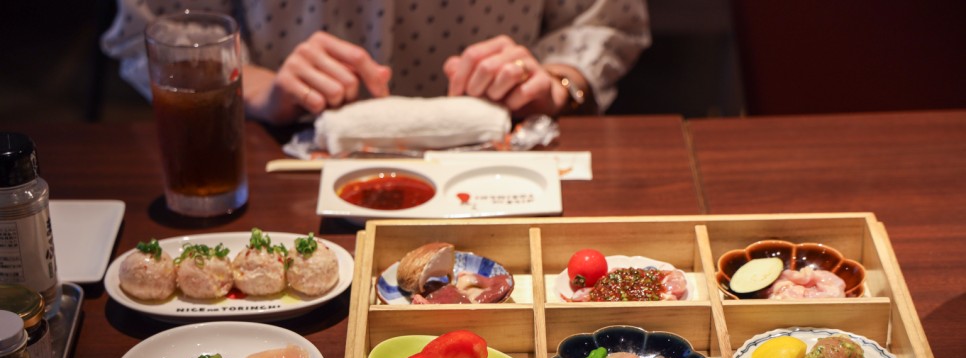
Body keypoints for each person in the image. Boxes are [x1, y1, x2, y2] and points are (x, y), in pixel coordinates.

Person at [101, 0, 650, 125]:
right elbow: (158, 28)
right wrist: (264, 87)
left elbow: (604, 18)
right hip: (287, 151)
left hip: (500, 151)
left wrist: (556, 83)